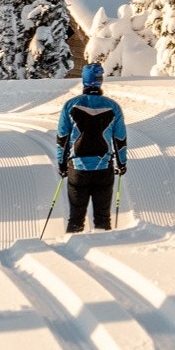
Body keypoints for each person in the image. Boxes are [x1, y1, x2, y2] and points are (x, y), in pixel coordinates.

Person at [55, 62, 127, 233]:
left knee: (76, 218)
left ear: (84, 81)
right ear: (100, 81)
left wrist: (61, 163)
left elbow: (62, 138)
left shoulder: (70, 105)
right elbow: (120, 139)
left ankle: (73, 245)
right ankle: (105, 247)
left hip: (77, 168)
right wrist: (122, 163)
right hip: (104, 168)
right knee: (103, 218)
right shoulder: (113, 106)